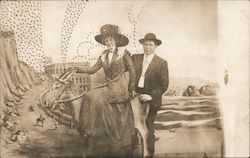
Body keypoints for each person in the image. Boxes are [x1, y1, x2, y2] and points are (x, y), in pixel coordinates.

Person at [72, 24, 136, 158]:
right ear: (104, 43)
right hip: (108, 85)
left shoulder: (123, 54)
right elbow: (93, 69)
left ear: (116, 41)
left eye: (111, 41)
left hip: (120, 86)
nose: (109, 43)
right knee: (89, 95)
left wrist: (131, 87)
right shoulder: (103, 55)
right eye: (107, 41)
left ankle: (107, 135)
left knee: (100, 100)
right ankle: (87, 130)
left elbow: (132, 70)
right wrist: (77, 68)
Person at [132, 33, 169, 158]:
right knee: (131, 126)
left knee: (148, 127)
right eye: (145, 44)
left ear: (156, 46)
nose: (147, 47)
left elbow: (163, 85)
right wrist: (131, 90)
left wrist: (151, 96)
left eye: (150, 45)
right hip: (134, 99)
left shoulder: (161, 63)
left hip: (151, 100)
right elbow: (129, 76)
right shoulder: (135, 58)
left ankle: (149, 155)